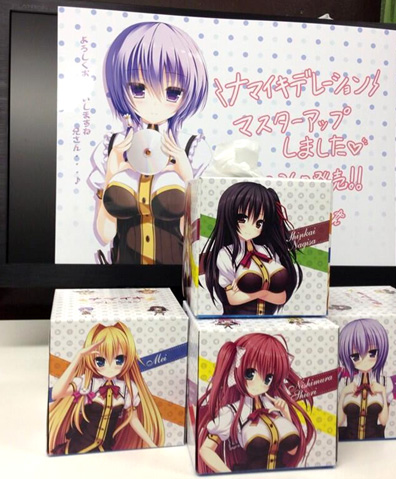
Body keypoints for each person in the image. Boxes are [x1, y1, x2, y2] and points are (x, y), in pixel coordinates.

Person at [89, 22, 209, 265]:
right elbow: (104, 234)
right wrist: (111, 175)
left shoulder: (193, 149)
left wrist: (187, 179)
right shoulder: (112, 147)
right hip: (124, 273)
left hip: (175, 278)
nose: (154, 105)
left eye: (173, 92)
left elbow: (199, 236)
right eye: (139, 89)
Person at [197, 333, 315, 472]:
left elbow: (292, 451)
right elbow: (206, 450)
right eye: (251, 374)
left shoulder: (275, 406)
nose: (260, 384)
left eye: (268, 377)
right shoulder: (233, 412)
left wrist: (286, 413)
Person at [48, 322, 164, 454]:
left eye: (119, 360)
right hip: (77, 448)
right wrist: (79, 356)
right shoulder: (88, 383)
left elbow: (133, 419)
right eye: (100, 361)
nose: (110, 367)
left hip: (104, 451)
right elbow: (56, 394)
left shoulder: (127, 389)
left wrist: (151, 444)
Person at [202, 182, 302, 315]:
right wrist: (265, 293)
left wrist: (256, 293)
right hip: (238, 320)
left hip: (268, 320)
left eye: (259, 223)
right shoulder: (226, 254)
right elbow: (233, 299)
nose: (251, 228)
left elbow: (281, 297)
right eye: (242, 219)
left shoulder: (267, 251)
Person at [337, 318, 392, 440]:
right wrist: (344, 393)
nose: (365, 361)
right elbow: (339, 422)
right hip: (347, 443)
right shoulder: (345, 382)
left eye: (372, 353)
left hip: (375, 442)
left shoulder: (384, 382)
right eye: (356, 357)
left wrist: (383, 393)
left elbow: (383, 422)